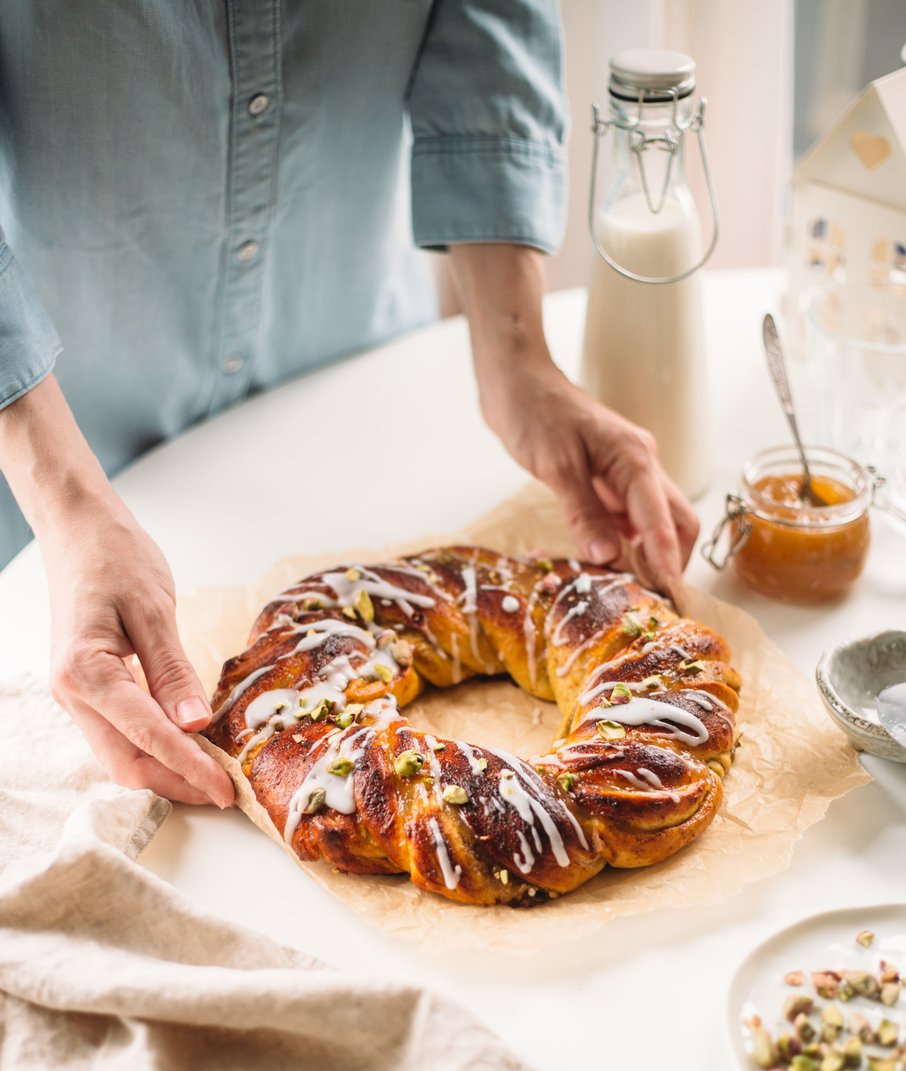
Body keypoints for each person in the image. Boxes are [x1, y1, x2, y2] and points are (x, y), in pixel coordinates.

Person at [0, 2, 698, 810]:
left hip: (356, 389)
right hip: (50, 422)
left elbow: (488, 20)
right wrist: (62, 490)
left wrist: (516, 352)